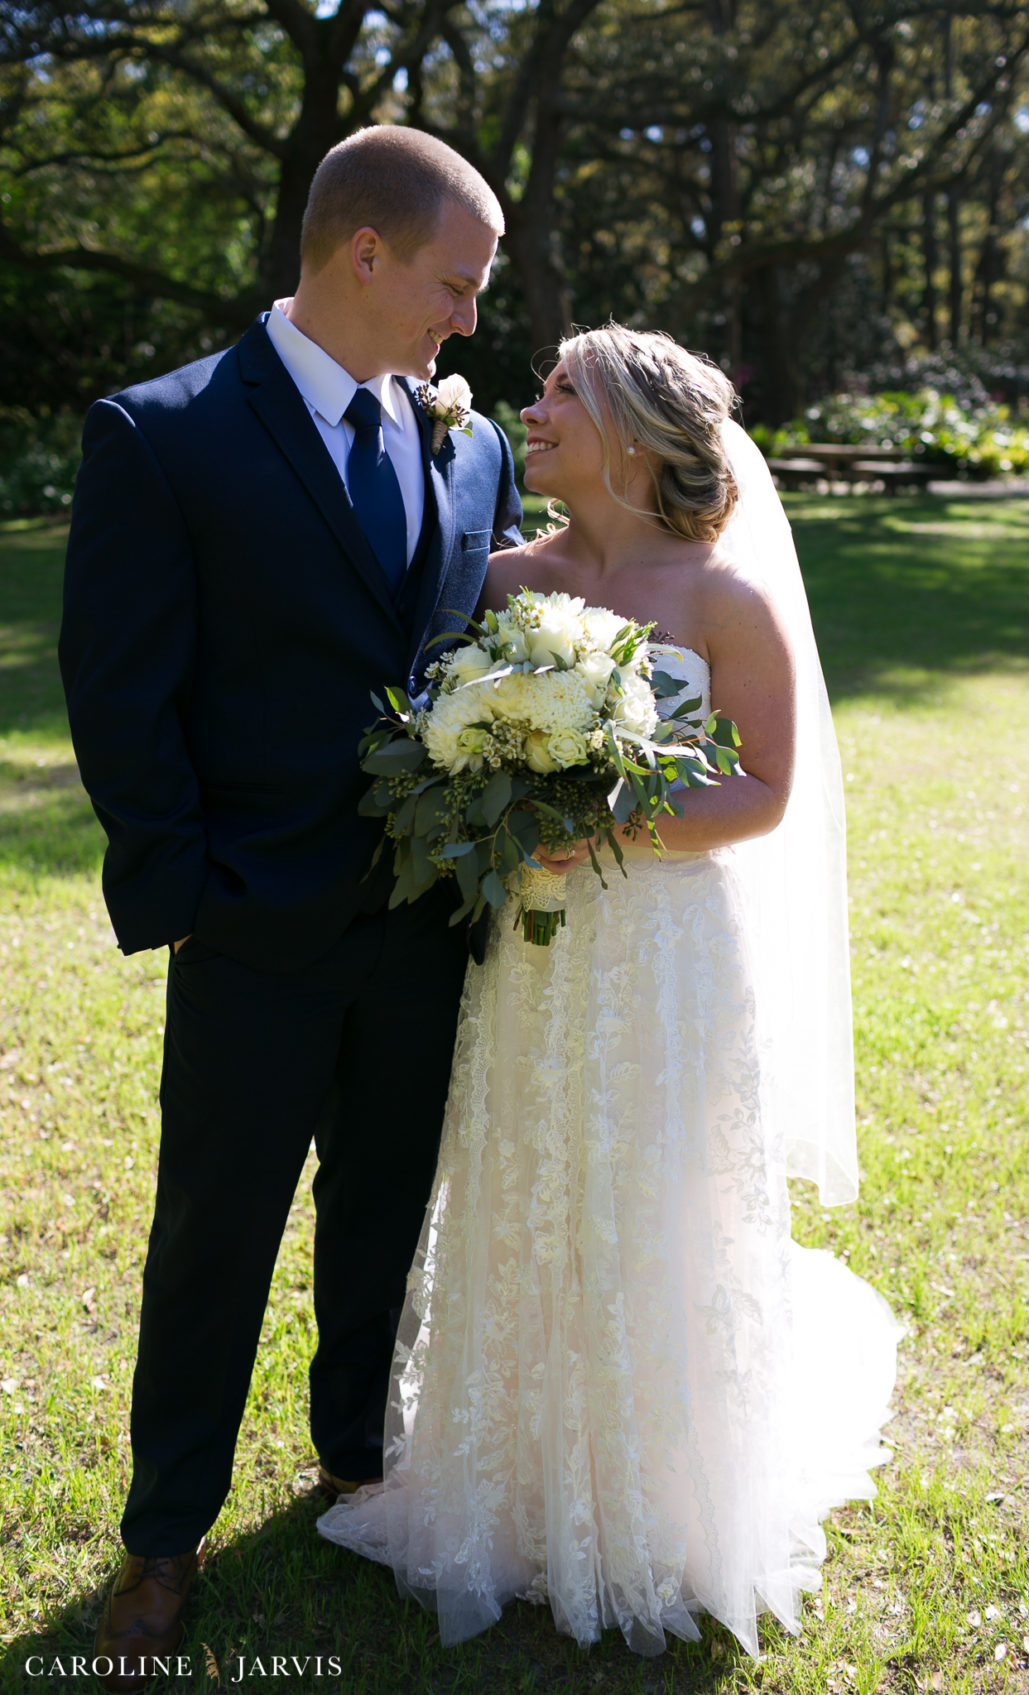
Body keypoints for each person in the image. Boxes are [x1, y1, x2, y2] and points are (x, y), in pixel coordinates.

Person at [317, 326, 901, 1657]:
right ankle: (508, 1478)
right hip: (527, 950)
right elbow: (438, 729)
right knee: (525, 1181)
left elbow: (764, 794)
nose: (532, 410)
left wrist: (614, 824)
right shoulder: (501, 579)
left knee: (650, 1194)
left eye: (559, 391)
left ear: (632, 431)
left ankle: (655, 1499)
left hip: (665, 957)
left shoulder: (724, 600)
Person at [58, 125, 523, 1690]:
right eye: (457, 284)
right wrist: (199, 901)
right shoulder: (164, 433)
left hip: (419, 931)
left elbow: (455, 668)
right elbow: (124, 704)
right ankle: (164, 1535)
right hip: (253, 931)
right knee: (212, 1241)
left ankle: (354, 1468)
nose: (470, 321)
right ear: (364, 255)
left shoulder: (469, 444)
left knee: (384, 1213)